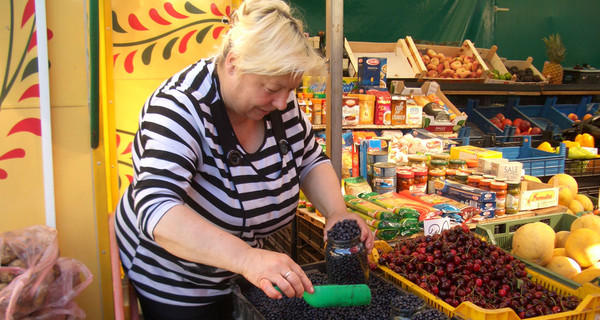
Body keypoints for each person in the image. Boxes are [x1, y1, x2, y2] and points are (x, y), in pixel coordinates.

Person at [114, 0, 374, 319]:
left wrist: (336, 212)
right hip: (177, 278)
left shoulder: (279, 102)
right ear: (234, 63)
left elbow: (309, 160)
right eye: (272, 89)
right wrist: (247, 259)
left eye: (289, 90)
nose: (282, 103)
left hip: (240, 269)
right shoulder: (179, 108)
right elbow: (159, 211)